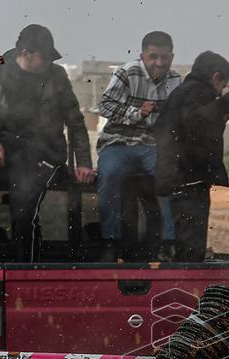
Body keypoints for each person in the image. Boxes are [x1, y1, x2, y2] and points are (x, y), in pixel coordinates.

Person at [0, 25, 93, 255]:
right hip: (6, 148)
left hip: (43, 152)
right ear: (25, 54)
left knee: (23, 204)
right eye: (43, 58)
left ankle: (26, 259)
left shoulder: (56, 76)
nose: (47, 64)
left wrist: (83, 162)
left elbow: (75, 121)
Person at [154, 51, 229, 262]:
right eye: (223, 85)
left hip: (179, 178)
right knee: (191, 247)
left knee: (187, 243)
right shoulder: (196, 92)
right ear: (216, 77)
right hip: (187, 181)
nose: (220, 92)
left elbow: (197, 130)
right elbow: (197, 123)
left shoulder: (184, 92)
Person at [96, 31, 181, 261]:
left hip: (151, 144)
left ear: (172, 57)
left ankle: (169, 242)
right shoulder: (127, 72)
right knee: (109, 174)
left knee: (167, 177)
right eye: (154, 56)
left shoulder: (175, 81)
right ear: (143, 56)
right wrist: (137, 112)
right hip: (118, 140)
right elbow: (104, 106)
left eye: (164, 57)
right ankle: (110, 240)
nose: (159, 63)